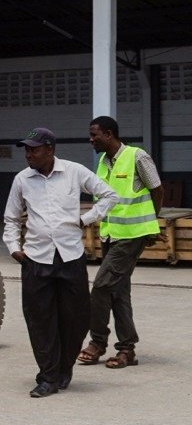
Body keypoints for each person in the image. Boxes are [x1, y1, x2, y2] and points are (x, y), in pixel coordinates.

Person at [3, 127, 119, 398]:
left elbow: (110, 195)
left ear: (50, 149)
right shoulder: (22, 179)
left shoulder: (74, 172)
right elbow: (11, 218)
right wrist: (13, 248)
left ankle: (63, 369)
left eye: (34, 149)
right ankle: (47, 376)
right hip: (36, 259)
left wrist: (85, 219)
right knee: (40, 320)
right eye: (26, 149)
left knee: (76, 318)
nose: (28, 154)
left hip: (70, 258)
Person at [78, 115, 163, 369]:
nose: (91, 140)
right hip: (110, 235)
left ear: (109, 134)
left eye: (94, 135)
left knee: (101, 287)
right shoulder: (103, 162)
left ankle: (97, 342)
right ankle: (127, 349)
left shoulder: (137, 156)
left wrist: (151, 224)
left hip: (132, 235)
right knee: (118, 292)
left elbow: (157, 189)